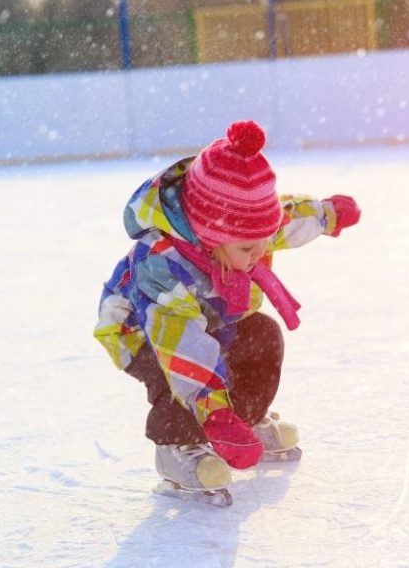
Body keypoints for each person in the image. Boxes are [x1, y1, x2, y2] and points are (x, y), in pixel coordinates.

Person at [94, 120, 360, 493]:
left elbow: (280, 219)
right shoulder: (162, 263)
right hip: (143, 329)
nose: (259, 255)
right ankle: (178, 449)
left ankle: (244, 421)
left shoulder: (242, 229)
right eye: (248, 250)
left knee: (262, 335)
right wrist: (213, 413)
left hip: (208, 315)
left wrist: (326, 214)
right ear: (211, 237)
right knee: (176, 374)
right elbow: (183, 348)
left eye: (262, 244)